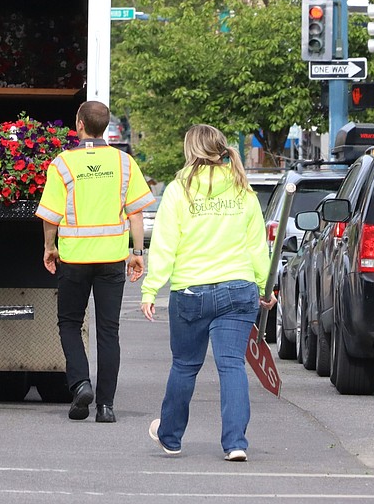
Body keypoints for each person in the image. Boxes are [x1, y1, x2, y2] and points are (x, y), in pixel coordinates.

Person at [141, 124, 273, 462]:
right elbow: (258, 245)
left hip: (191, 289)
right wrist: (264, 286)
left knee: (185, 365)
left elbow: (165, 243)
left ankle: (170, 437)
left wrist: (151, 287)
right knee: (231, 365)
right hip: (238, 287)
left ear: (191, 151)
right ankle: (236, 443)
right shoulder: (243, 190)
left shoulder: (178, 190)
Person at [35, 100, 154, 424]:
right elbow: (136, 214)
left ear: (80, 125)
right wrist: (137, 253)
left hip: (74, 258)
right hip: (113, 259)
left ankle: (81, 384)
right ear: (105, 126)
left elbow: (51, 215)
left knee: (70, 324)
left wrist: (50, 247)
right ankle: (106, 406)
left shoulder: (62, 164)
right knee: (108, 331)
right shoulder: (124, 162)